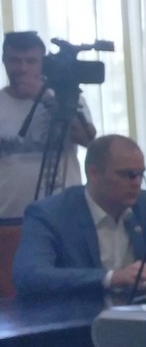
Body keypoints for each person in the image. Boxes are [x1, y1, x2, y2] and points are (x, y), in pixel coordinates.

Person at [13, 134, 146, 298]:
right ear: (94, 173)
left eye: (140, 174)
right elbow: (29, 275)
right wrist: (110, 278)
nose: (137, 182)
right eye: (128, 175)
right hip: (77, 316)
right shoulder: (49, 213)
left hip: (144, 315)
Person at [1, 30, 96, 219]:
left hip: (65, 214)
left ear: (43, 64)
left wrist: (46, 99)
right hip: (9, 214)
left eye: (31, 61)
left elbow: (89, 141)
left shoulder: (67, 97)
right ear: (4, 62)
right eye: (15, 61)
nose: (23, 68)